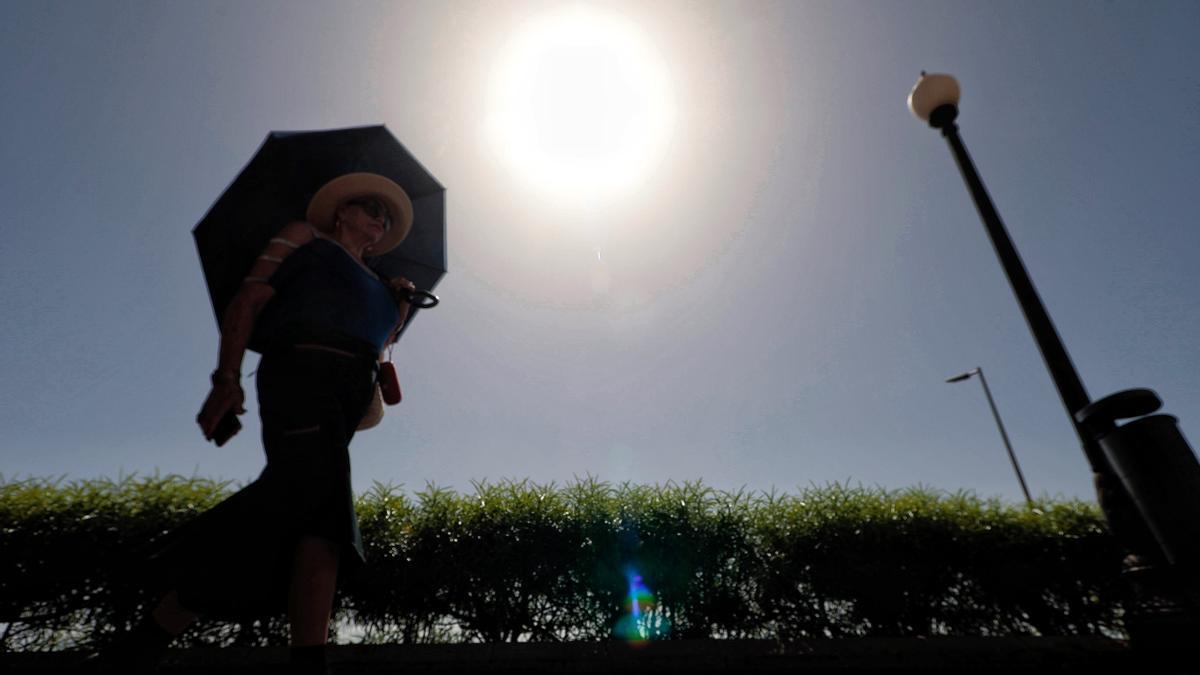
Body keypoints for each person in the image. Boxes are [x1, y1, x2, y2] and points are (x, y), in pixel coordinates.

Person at [86, 173, 416, 674]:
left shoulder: (382, 283)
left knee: (306, 508)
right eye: (371, 207)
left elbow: (378, 342)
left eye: (387, 218)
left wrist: (399, 307)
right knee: (321, 502)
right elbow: (249, 299)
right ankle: (301, 660)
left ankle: (152, 628)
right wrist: (226, 379)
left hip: (347, 395)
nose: (380, 220)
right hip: (300, 372)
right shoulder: (304, 236)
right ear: (342, 211)